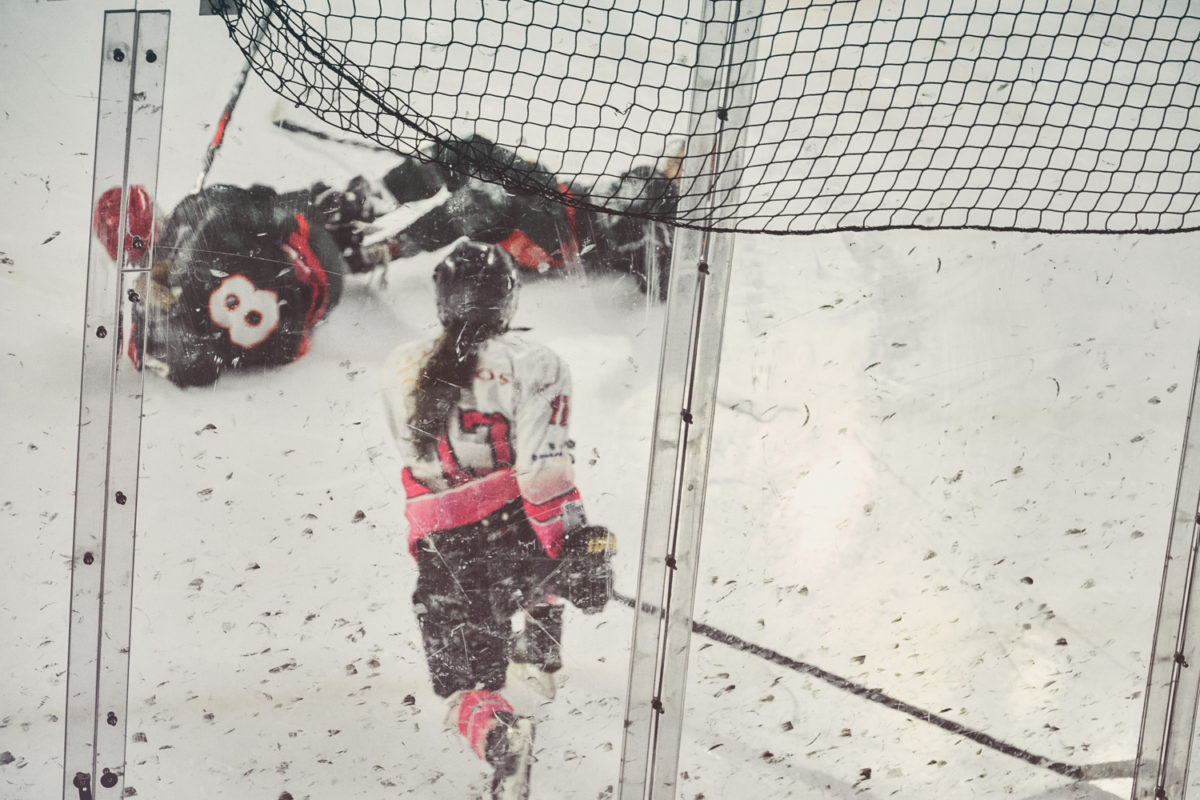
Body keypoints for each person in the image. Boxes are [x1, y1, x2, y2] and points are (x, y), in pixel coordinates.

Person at [94, 134, 677, 388]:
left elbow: (188, 366)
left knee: (467, 206)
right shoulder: (203, 212)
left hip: (320, 295)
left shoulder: (164, 312)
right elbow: (270, 209)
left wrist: (148, 322)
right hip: (320, 248)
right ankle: (603, 226)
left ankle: (398, 233)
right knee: (466, 171)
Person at [379, 238, 615, 799]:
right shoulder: (536, 361)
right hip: (514, 526)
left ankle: (502, 738)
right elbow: (542, 477)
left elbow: (416, 468)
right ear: (508, 298)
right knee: (539, 568)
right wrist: (571, 548)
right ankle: (542, 658)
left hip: (444, 546)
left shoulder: (398, 366)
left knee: (465, 690)